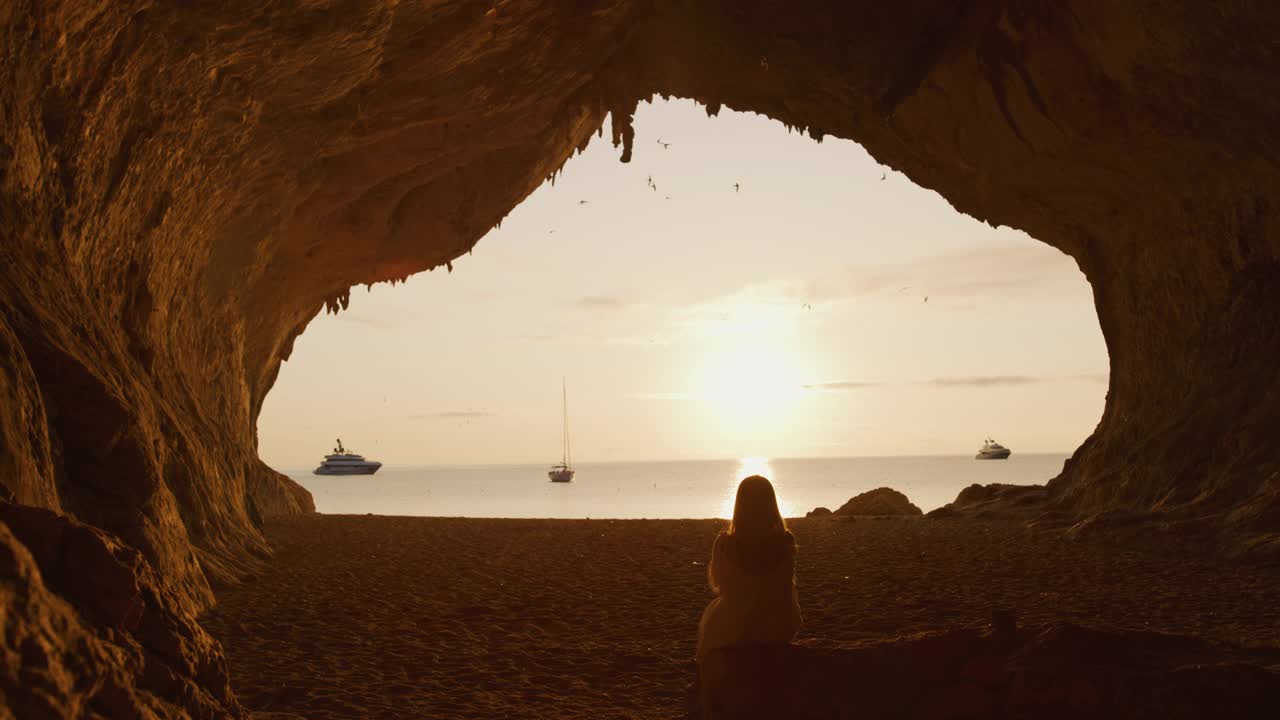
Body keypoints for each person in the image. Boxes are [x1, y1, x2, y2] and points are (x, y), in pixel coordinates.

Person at [696, 475, 802, 662]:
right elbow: (786, 585)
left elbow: (719, 585)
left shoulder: (723, 544)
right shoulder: (786, 540)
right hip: (778, 624)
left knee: (712, 623)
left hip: (738, 626)